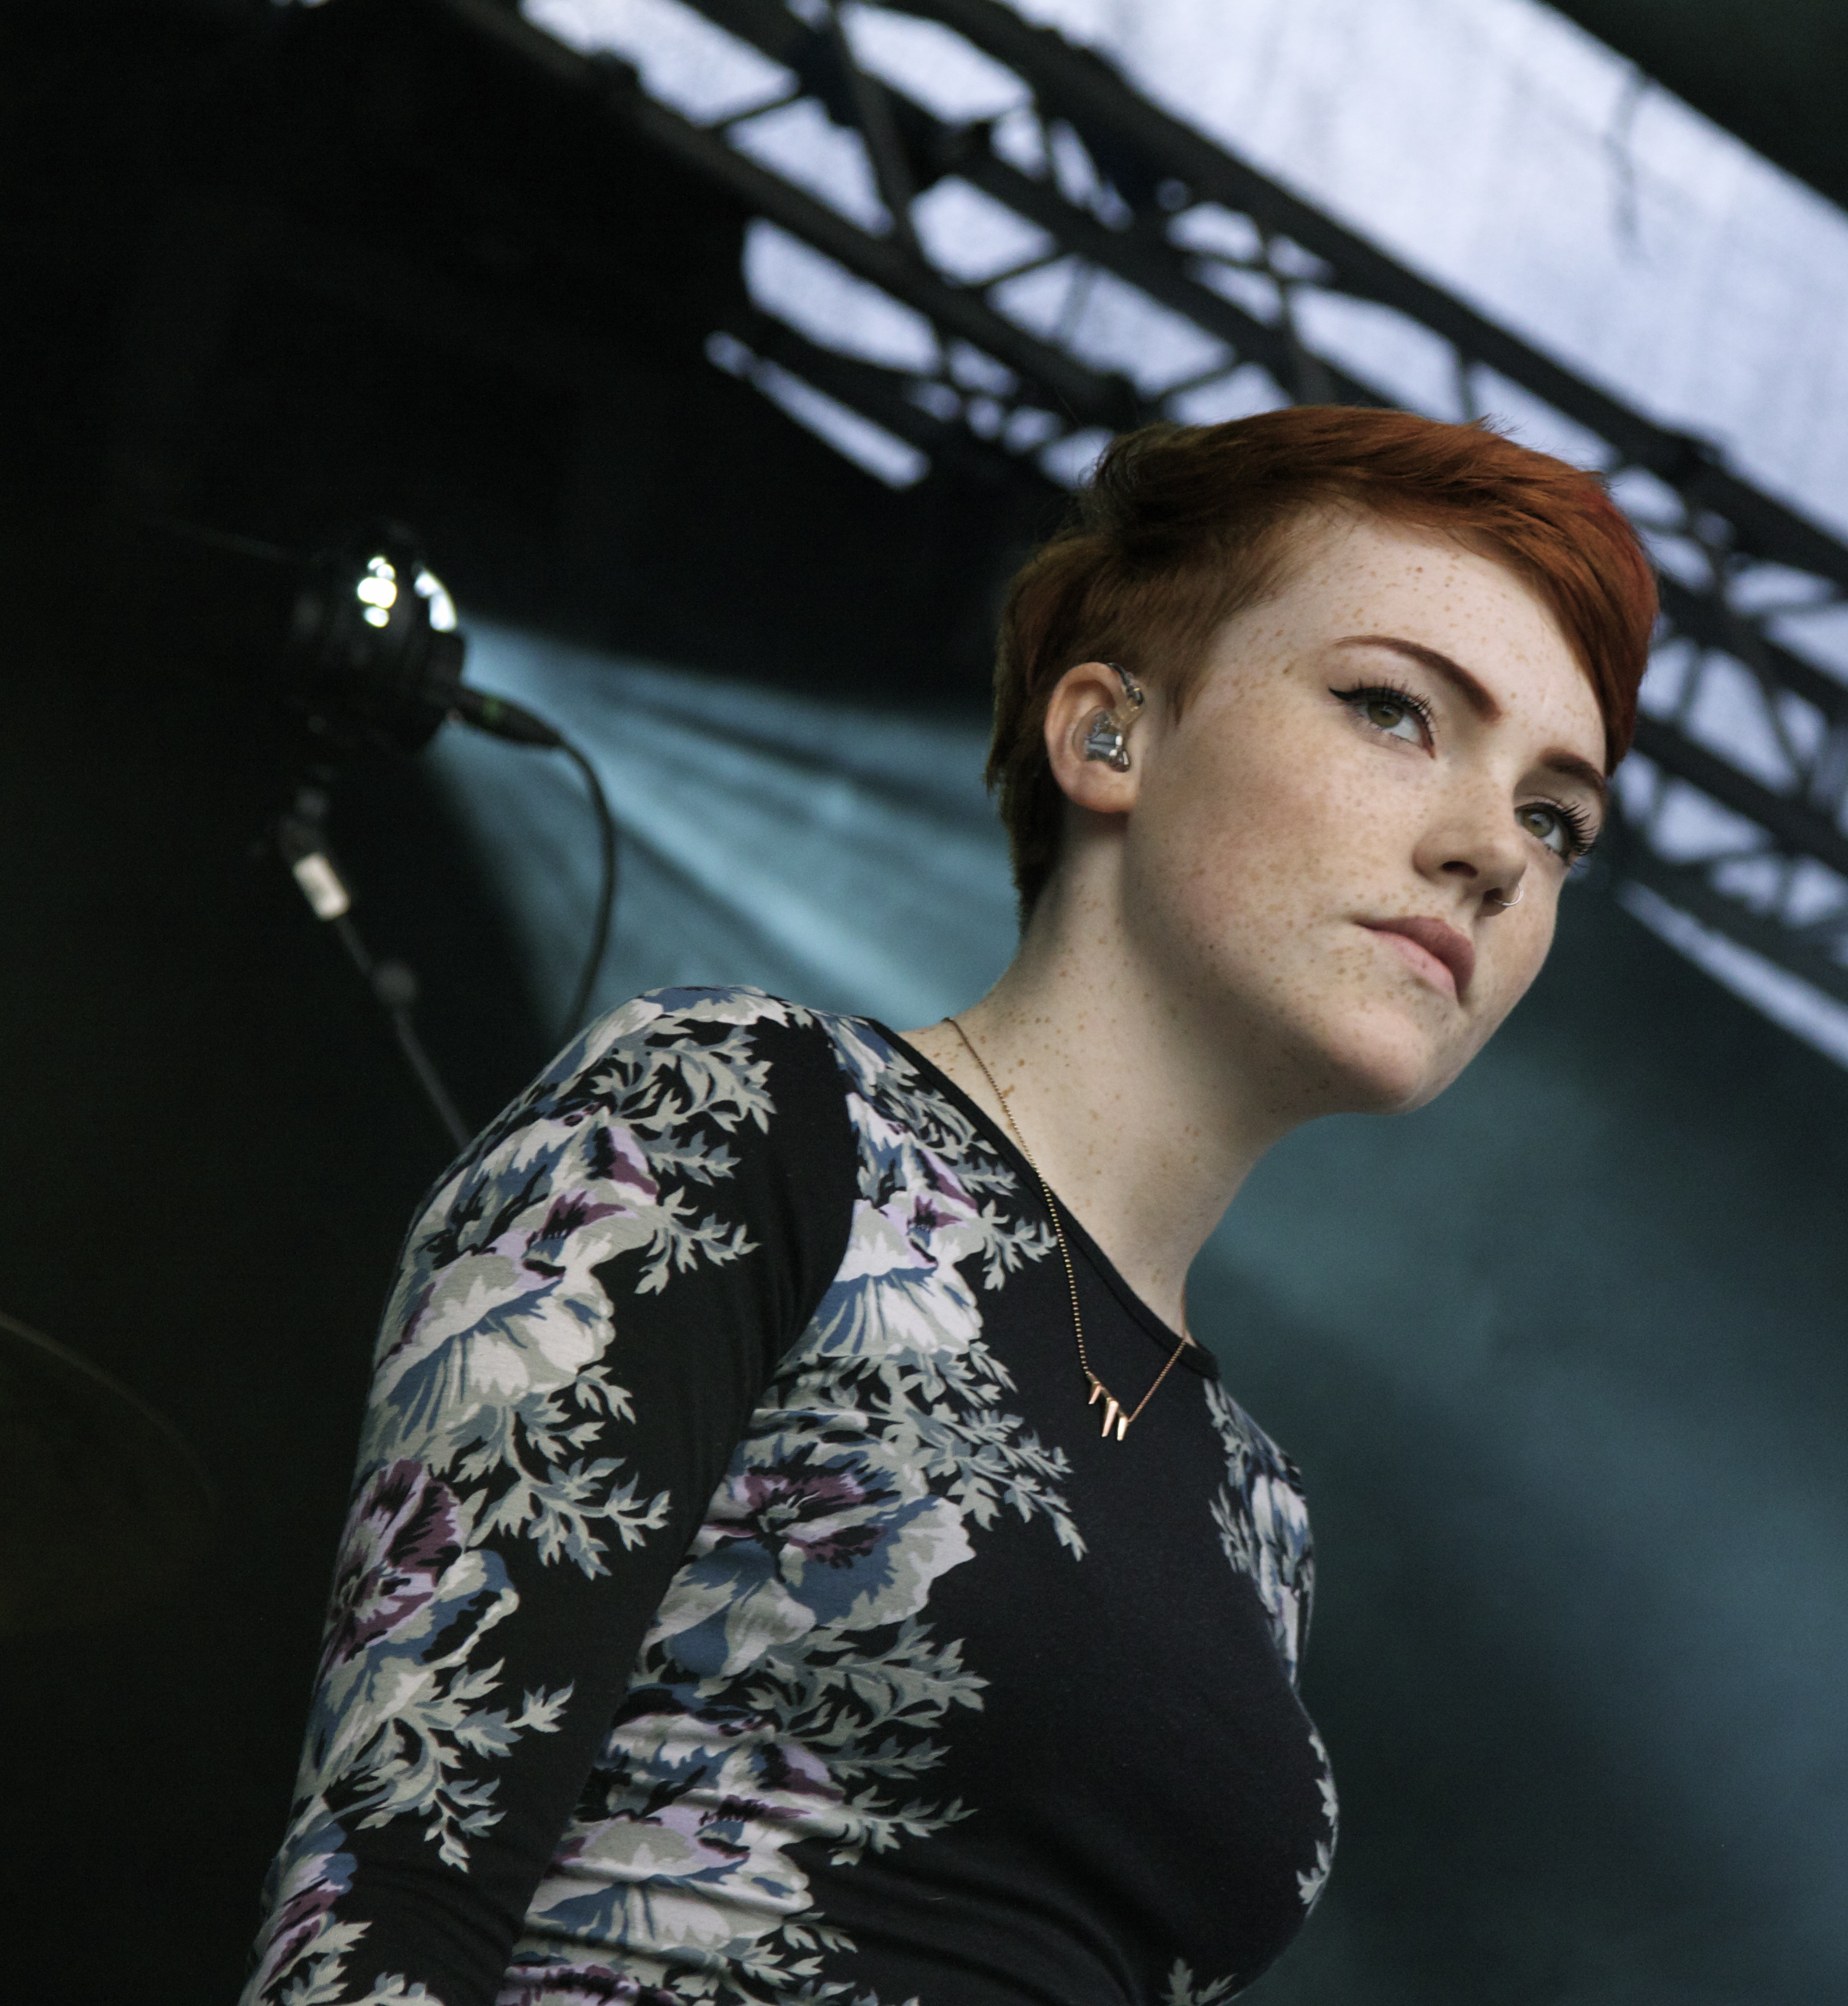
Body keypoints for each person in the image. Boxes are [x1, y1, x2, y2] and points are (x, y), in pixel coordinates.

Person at [240, 405, 1656, 2006]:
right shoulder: (741, 1115)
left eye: (1557, 818)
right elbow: (393, 1892)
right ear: (1107, 736)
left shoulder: (1258, 1513)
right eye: (1395, 710)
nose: (1495, 854)